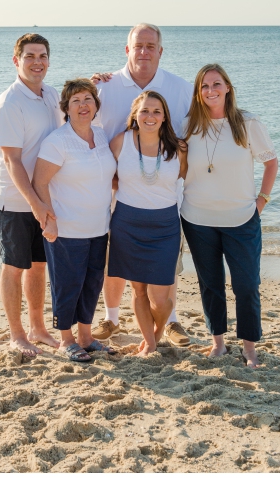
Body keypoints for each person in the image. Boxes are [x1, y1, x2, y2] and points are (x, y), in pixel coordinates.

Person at [90, 23, 194, 347]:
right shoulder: (105, 87)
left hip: (162, 194)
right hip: (116, 193)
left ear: (160, 51)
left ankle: (171, 322)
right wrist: (88, 82)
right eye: (138, 46)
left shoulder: (180, 88)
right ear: (127, 50)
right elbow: (81, 124)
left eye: (151, 46)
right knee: (116, 263)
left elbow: (193, 138)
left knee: (164, 273)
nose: (144, 52)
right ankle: (110, 317)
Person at [180, 64, 278, 368]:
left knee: (246, 285)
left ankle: (249, 348)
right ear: (198, 92)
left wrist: (261, 201)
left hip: (241, 219)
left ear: (227, 88)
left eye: (216, 84)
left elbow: (271, 162)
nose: (211, 90)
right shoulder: (188, 125)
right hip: (197, 219)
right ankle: (218, 343)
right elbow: (178, 170)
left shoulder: (247, 123)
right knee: (210, 283)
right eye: (205, 86)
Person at [31, 79, 117, 362]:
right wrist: (49, 221)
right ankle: (66, 340)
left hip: (99, 227)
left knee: (92, 284)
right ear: (66, 107)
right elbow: (39, 183)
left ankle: (86, 337)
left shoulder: (102, 135)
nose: (83, 105)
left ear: (96, 105)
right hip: (67, 229)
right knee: (68, 285)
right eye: (76, 100)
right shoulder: (58, 141)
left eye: (88, 99)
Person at [0, 33, 64, 357]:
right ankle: (17, 333)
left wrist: (98, 82)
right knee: (14, 266)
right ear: (16, 60)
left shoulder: (51, 95)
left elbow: (80, 110)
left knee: (38, 266)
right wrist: (35, 204)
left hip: (44, 199)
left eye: (43, 56)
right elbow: (12, 159)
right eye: (30, 56)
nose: (37, 62)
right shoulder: (10, 102)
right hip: (15, 201)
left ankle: (38, 327)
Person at [108, 91, 187, 356]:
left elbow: (187, 179)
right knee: (139, 291)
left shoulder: (179, 148)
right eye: (144, 111)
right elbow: (105, 176)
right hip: (127, 223)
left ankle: (157, 331)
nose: (150, 116)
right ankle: (150, 343)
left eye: (156, 111)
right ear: (135, 115)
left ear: (164, 117)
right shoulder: (120, 142)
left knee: (161, 299)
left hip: (165, 226)